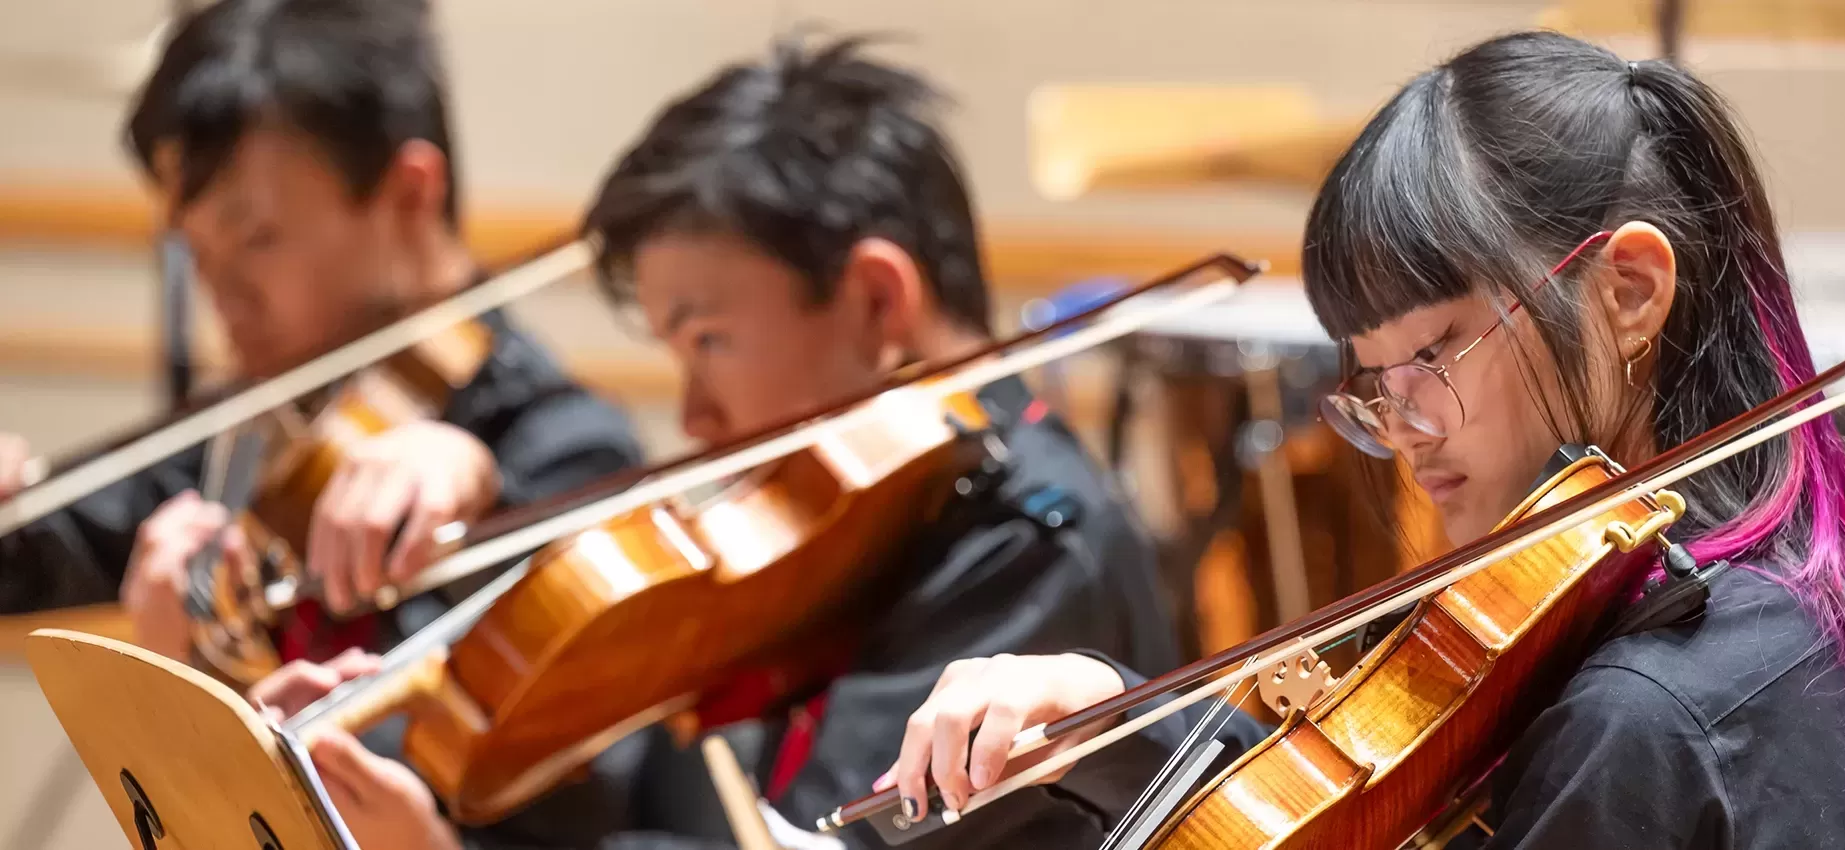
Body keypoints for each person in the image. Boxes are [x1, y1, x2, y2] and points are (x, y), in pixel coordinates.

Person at [883, 31, 1845, 850]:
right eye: (1371, 379)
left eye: (1434, 353)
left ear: (1628, 291)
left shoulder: (1634, 721)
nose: (1400, 426)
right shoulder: (1791, 591)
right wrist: (1109, 718)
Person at [244, 33, 1183, 850]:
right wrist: (382, 730)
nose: (693, 416)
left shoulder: (1037, 546)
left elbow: (804, 843)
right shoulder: (842, 519)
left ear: (875, 299)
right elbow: (652, 794)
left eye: (708, 342)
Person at [0, 0, 644, 671]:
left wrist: (224, 675)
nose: (222, 296)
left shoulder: (565, 449)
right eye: (196, 252)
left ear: (409, 194)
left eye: (256, 240)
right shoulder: (265, 432)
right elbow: (47, 551)